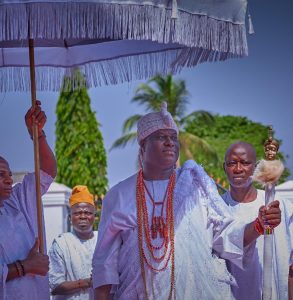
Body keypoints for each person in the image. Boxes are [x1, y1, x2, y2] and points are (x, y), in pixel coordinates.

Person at [92, 102, 281, 300]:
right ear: (143, 146)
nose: (170, 142)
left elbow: (225, 234)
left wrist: (258, 226)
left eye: (173, 138)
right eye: (161, 137)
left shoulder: (196, 186)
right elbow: (105, 263)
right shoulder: (119, 195)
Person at [0, 101, 57, 299]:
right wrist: (26, 267)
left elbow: (47, 171)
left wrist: (37, 134)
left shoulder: (16, 201)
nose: (8, 179)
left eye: (9, 173)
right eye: (1, 174)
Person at [222, 141, 293, 300]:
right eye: (232, 163)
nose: (238, 169)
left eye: (245, 163)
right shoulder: (215, 209)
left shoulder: (282, 206)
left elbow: (291, 269)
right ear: (224, 167)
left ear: (255, 167)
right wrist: (257, 226)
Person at [49, 185, 98, 300]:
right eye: (77, 213)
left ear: (94, 217)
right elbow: (55, 286)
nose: (83, 216)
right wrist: (88, 282)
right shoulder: (61, 243)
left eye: (87, 213)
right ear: (70, 218)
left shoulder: (102, 240)